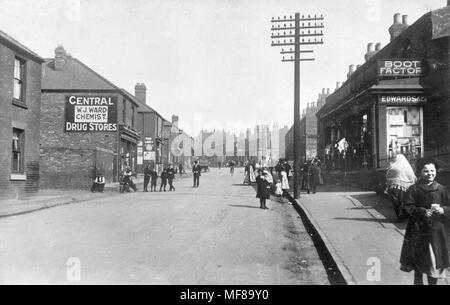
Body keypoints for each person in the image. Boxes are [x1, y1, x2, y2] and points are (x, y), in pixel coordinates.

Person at [400, 158, 450, 285]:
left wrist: (443, 210)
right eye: (426, 171)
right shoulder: (414, 189)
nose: (430, 173)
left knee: (434, 264)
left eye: (432, 171)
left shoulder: (442, 189)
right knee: (419, 264)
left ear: (436, 171)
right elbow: (407, 208)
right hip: (418, 231)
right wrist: (422, 212)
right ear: (420, 172)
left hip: (436, 233)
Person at [386, 154, 417, 222]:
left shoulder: (392, 166)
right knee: (403, 202)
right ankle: (403, 216)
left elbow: (387, 176)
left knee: (396, 203)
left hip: (393, 187)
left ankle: (399, 217)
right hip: (404, 188)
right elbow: (412, 177)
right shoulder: (407, 166)